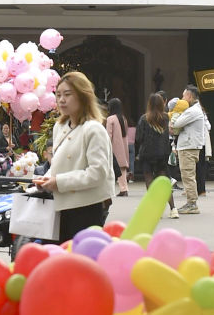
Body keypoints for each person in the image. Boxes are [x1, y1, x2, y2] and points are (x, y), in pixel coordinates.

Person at [32, 71, 115, 242]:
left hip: (86, 208)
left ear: (83, 96)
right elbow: (58, 164)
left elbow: (97, 173)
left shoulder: (93, 129)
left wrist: (58, 182)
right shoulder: (60, 126)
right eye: (58, 95)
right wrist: (46, 179)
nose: (61, 100)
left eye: (67, 95)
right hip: (60, 205)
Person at [134, 94, 178, 218]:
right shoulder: (165, 118)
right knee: (165, 181)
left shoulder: (144, 118)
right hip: (162, 154)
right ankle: (173, 208)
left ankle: (155, 210)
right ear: (161, 104)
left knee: (149, 180)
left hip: (147, 154)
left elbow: (139, 138)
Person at [169, 86, 206, 216]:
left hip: (188, 146)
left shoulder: (192, 111)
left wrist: (176, 115)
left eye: (184, 96)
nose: (182, 99)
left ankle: (192, 204)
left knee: (188, 175)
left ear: (190, 96)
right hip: (190, 145)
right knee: (188, 175)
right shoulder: (194, 109)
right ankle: (191, 202)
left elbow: (177, 123)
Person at [106, 97, 130, 197]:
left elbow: (108, 135)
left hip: (113, 147)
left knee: (111, 168)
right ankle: (124, 188)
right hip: (123, 146)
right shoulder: (123, 118)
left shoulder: (110, 119)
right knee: (122, 168)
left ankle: (120, 189)